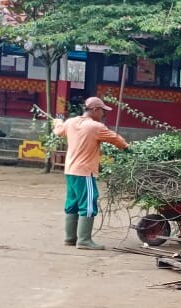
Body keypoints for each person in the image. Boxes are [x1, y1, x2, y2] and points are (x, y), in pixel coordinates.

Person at [52, 97, 129, 250]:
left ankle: (70, 238)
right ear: (95, 110)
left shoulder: (71, 122)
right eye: (102, 111)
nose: (103, 114)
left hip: (70, 170)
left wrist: (57, 122)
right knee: (88, 203)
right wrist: (127, 148)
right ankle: (84, 240)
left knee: (72, 202)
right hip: (85, 171)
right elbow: (115, 138)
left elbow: (58, 131)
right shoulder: (96, 127)